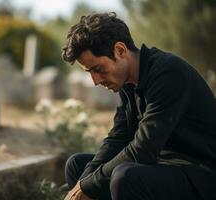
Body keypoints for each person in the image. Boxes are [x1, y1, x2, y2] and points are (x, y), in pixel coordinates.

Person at [61, 12, 216, 200]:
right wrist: (83, 182)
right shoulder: (127, 83)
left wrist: (89, 185)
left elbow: (143, 149)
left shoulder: (168, 73)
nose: (95, 81)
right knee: (78, 166)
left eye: (98, 69)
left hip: (200, 175)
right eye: (89, 72)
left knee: (124, 178)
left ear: (120, 50)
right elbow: (119, 137)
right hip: (164, 166)